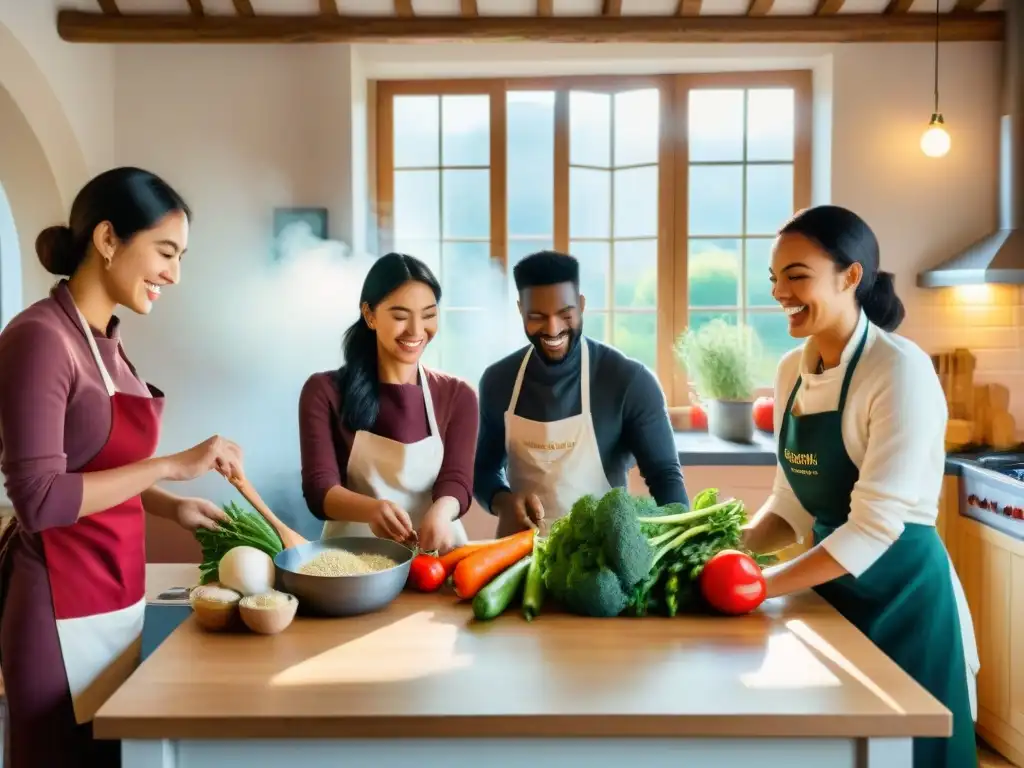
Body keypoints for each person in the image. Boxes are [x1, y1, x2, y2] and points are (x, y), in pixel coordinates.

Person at [0, 167, 246, 768]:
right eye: (165, 252)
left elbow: (94, 468)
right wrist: (169, 467)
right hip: (57, 611)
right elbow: (40, 499)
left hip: (115, 599)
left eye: (181, 256)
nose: (174, 274)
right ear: (108, 239)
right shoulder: (39, 338)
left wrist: (171, 504)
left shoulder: (106, 340)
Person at [743, 205, 979, 768]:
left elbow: (874, 527)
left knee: (915, 752)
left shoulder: (900, 371)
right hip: (831, 595)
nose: (781, 292)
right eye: (775, 278)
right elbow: (790, 504)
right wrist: (726, 557)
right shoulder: (789, 372)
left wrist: (761, 587)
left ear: (851, 276)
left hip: (906, 600)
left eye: (797, 276)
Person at [475, 250, 687, 537]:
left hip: (603, 563)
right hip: (518, 557)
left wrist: (681, 551)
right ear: (520, 310)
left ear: (582, 305)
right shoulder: (498, 381)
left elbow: (665, 477)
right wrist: (504, 501)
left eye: (565, 314)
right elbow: (483, 472)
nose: (553, 329)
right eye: (537, 316)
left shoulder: (629, 381)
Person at [298, 252, 477, 553]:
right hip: (352, 563)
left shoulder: (458, 395)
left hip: (436, 558)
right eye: (400, 316)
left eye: (429, 315)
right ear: (369, 315)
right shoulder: (323, 391)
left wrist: (442, 512)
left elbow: (457, 479)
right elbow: (319, 489)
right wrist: (371, 510)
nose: (416, 330)